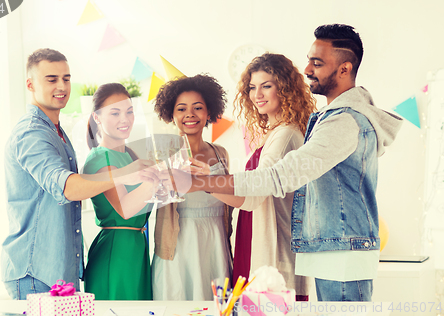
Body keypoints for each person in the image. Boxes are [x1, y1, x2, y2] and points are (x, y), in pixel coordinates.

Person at [163, 24, 403, 302]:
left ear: (344, 69)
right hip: (333, 248)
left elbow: (275, 178)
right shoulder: (328, 119)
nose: (308, 69)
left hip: (338, 250)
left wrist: (200, 182)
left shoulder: (342, 121)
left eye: (317, 62)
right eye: (253, 87)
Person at [1, 49, 156, 300]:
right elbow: (67, 188)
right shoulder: (31, 134)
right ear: (30, 84)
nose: (62, 85)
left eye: (66, 78)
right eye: (51, 79)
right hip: (35, 273)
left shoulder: (57, 133)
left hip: (60, 272)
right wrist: (125, 174)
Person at [204, 53, 315, 300]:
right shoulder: (274, 133)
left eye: (267, 86)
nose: (258, 95)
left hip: (272, 246)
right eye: (253, 87)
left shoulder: (286, 135)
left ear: (285, 89)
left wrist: (203, 182)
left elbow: (253, 197)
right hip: (254, 234)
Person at [152, 74, 233, 300]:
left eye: (198, 108)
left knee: (216, 304)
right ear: (171, 113)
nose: (190, 114)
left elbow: (232, 196)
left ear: (209, 112)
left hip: (216, 242)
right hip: (178, 245)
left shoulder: (220, 153)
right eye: (181, 109)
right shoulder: (162, 154)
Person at [82, 83, 155, 300]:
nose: (125, 119)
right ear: (97, 117)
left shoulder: (132, 156)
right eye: (115, 113)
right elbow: (126, 208)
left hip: (136, 251)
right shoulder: (101, 157)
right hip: (116, 255)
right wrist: (159, 177)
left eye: (129, 111)